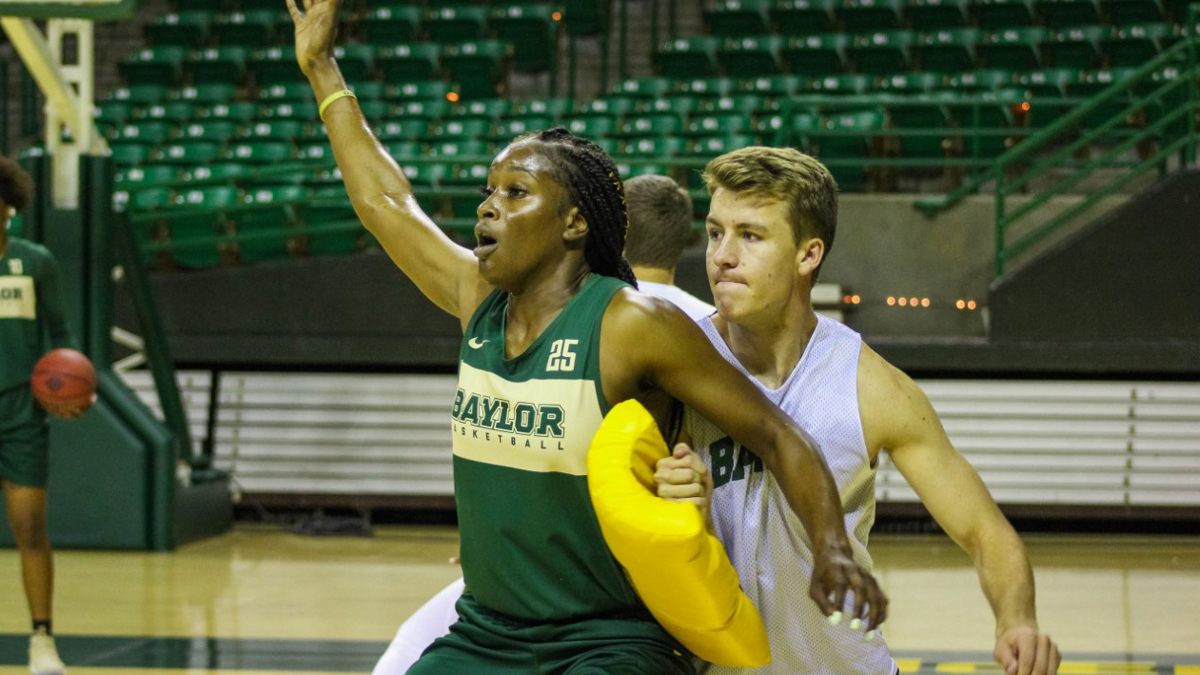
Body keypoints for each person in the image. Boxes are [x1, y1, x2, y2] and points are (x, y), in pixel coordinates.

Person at [287, 1, 886, 673]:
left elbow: (778, 435)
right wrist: (322, 69)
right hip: (487, 631)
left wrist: (832, 545)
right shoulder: (477, 300)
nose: (488, 206)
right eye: (489, 190)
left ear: (574, 223)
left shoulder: (631, 324)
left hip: (608, 640)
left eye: (516, 192)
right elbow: (385, 204)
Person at [654, 146, 1062, 675]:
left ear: (808, 255)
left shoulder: (871, 387)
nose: (721, 256)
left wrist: (1017, 621)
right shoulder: (672, 368)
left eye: (750, 235)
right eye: (714, 233)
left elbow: (986, 534)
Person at [370, 174, 714, 675]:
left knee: (404, 651)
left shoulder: (622, 320)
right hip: (588, 598)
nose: (491, 209)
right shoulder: (710, 329)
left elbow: (385, 204)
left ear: (584, 229)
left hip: (608, 611)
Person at [0, 155, 91, 675]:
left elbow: (61, 337)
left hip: (20, 412)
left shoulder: (35, 263)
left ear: (9, 207)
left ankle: (42, 641)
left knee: (30, 525)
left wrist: (75, 388)